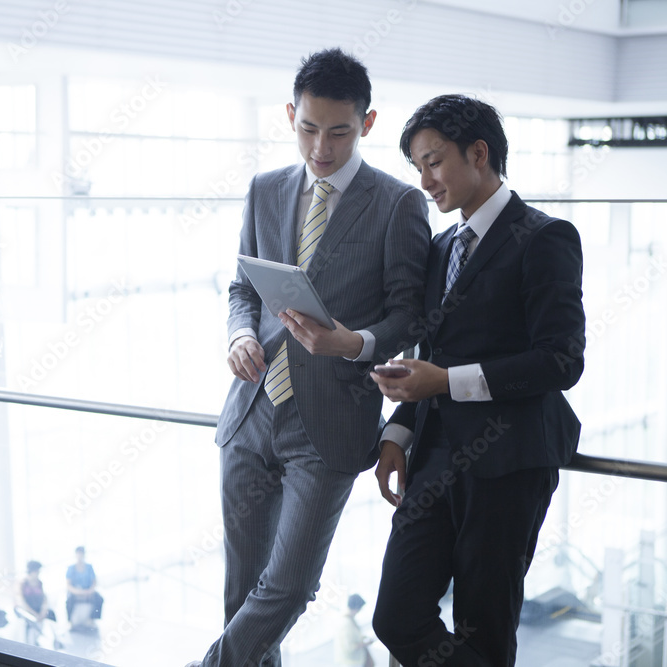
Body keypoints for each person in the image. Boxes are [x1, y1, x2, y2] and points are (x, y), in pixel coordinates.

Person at [191, 47, 431, 667]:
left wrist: (351, 343)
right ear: (290, 115)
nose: (321, 147)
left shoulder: (399, 203)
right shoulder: (265, 188)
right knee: (242, 587)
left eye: (340, 132)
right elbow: (243, 286)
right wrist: (239, 335)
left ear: (368, 124)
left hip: (328, 422)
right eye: (308, 128)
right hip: (250, 410)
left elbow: (411, 314)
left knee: (288, 587)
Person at [369, 94, 585, 667]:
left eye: (434, 162)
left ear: (479, 153)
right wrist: (398, 433)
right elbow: (430, 355)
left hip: (509, 462)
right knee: (396, 614)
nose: (425, 180)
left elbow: (562, 360)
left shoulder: (544, 238)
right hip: (436, 459)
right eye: (417, 167)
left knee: (483, 628)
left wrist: (445, 381)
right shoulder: (442, 247)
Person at [15, 560, 60, 648]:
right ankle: (30, 643)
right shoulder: (22, 583)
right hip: (26, 610)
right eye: (37, 571)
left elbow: (44, 598)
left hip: (37, 608)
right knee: (32, 621)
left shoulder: (39, 582)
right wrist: (35, 614)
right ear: (32, 571)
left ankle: (55, 639)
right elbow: (21, 602)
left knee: (50, 615)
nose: (39, 573)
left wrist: (43, 611)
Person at [65, 546, 103, 632]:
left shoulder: (89, 567)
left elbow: (94, 581)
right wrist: (78, 592)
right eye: (78, 554)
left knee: (99, 599)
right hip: (76, 591)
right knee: (69, 600)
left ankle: (92, 618)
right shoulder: (71, 568)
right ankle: (70, 621)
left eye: (82, 554)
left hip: (88, 590)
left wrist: (90, 590)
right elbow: (68, 585)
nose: (80, 556)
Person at [333, 594, 374, 667]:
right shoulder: (346, 623)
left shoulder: (349, 619)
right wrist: (366, 643)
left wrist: (362, 637)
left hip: (353, 661)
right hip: (351, 662)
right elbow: (350, 647)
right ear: (357, 607)